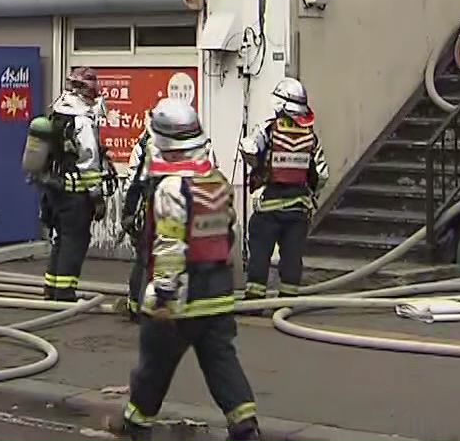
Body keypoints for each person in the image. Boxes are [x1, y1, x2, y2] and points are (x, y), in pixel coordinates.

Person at [114, 97, 260, 441]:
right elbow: (230, 230)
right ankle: (245, 426)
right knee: (222, 365)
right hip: (218, 296)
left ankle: (135, 426)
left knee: (154, 368)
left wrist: (162, 294)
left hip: (180, 301)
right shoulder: (216, 181)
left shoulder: (170, 188)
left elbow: (169, 245)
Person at [239, 78, 329, 299]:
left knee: (260, 253)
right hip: (298, 209)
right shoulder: (310, 137)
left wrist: (258, 166)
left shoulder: (268, 130)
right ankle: (287, 300)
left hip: (268, 207)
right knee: (292, 256)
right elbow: (322, 175)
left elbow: (249, 149)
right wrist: (311, 193)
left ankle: (255, 299)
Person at [39, 66, 109, 302]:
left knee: (61, 238)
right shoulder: (82, 120)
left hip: (54, 190)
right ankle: (65, 293)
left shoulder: (58, 111)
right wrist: (97, 196)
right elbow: (88, 161)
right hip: (75, 195)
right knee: (75, 241)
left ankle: (51, 288)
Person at [119, 119, 155, 318]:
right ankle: (142, 307)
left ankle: (135, 305)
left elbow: (133, 182)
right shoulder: (195, 144)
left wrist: (128, 213)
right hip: (170, 212)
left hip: (150, 210)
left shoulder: (145, 143)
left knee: (144, 258)